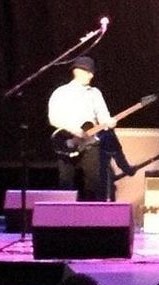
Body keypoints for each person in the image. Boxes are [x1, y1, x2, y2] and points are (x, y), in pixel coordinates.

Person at [48, 55, 119, 201]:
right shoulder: (61, 92)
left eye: (92, 72)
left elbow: (103, 117)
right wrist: (75, 131)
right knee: (66, 183)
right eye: (88, 72)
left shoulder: (95, 93)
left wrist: (109, 122)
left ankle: (94, 217)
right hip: (67, 142)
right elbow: (53, 117)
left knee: (95, 182)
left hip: (90, 143)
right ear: (77, 71)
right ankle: (63, 219)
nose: (91, 75)